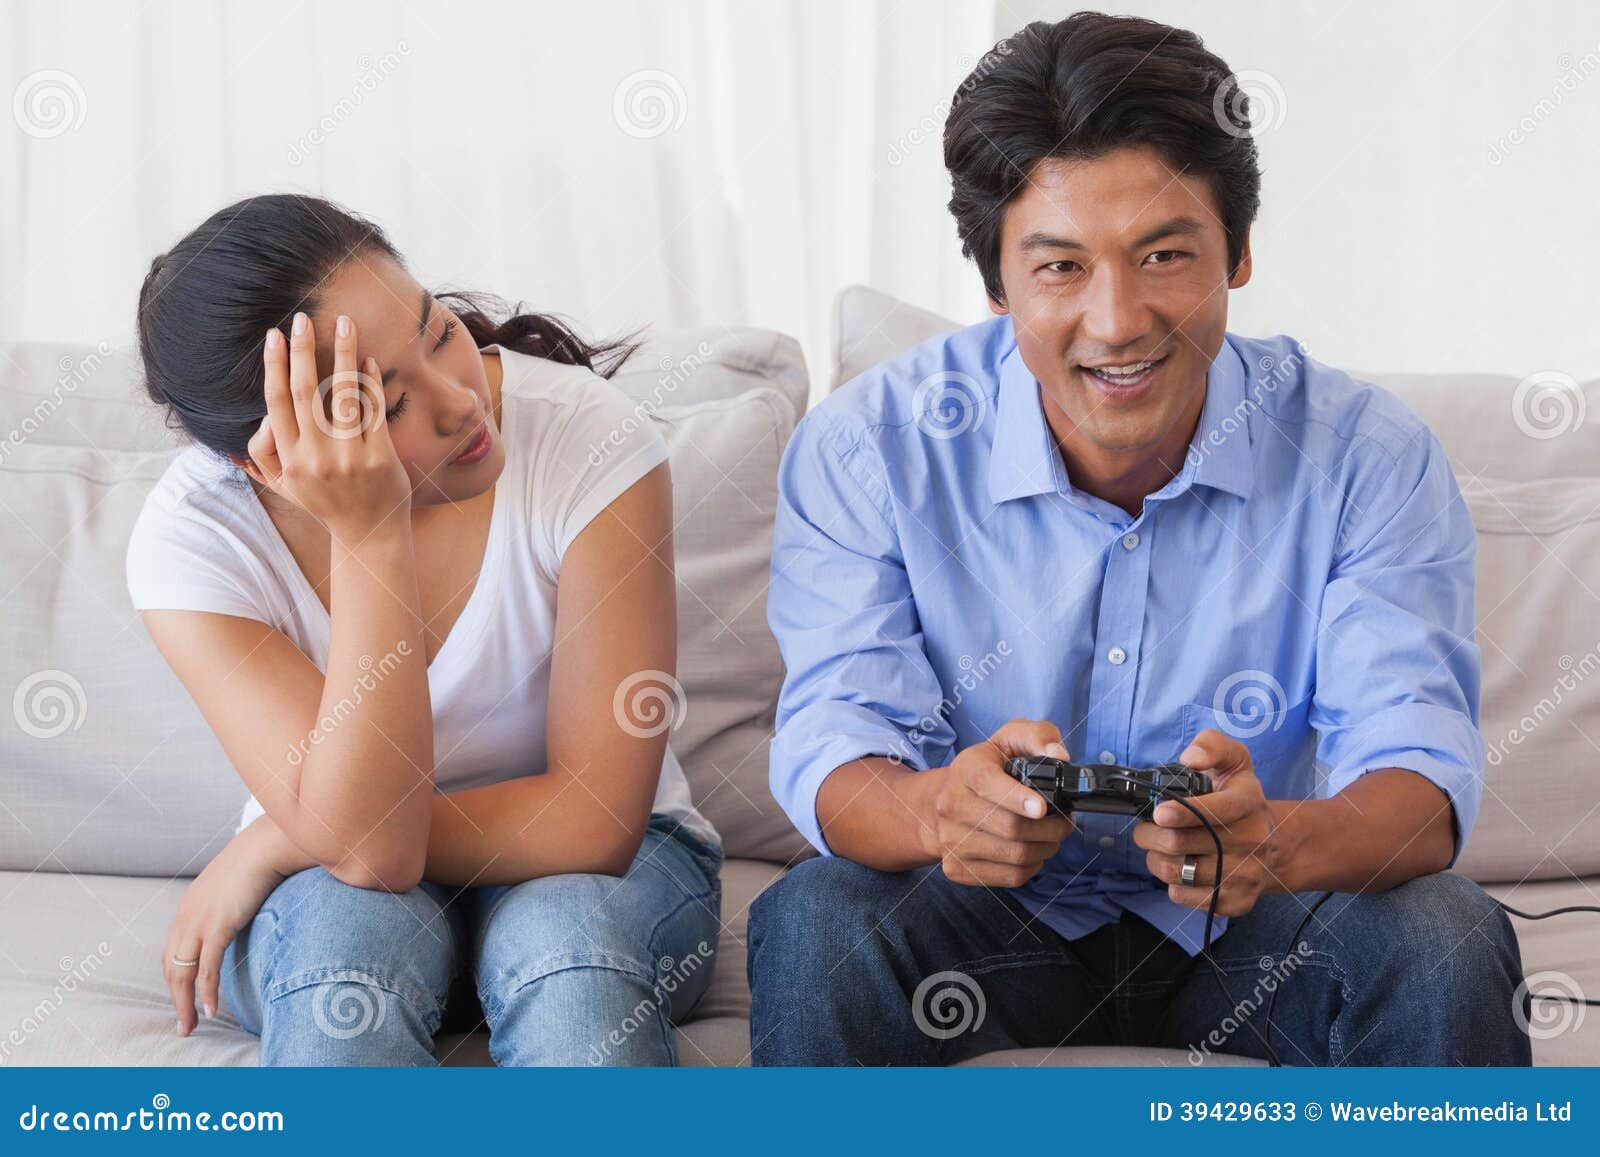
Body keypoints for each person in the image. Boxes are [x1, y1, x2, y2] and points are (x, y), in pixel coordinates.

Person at [748, 12, 1529, 1066]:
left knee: (1443, 933)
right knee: (819, 919)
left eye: (1164, 254)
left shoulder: (1365, 455)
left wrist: (1274, 839)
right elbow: (836, 738)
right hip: (983, 926)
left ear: (1239, 252)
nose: (1117, 321)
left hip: (1259, 929)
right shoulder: (867, 449)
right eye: (1060, 267)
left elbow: (1419, 780)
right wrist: (942, 807)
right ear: (994, 283)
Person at [126, 194, 721, 1065]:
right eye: (385, 404)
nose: (460, 403)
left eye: (439, 331)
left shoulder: (589, 440)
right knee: (343, 967)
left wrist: (280, 837)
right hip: (338, 882)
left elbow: (594, 817)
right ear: (269, 461)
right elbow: (368, 854)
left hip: (607, 868)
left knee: (565, 957)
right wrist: (371, 534)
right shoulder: (194, 540)